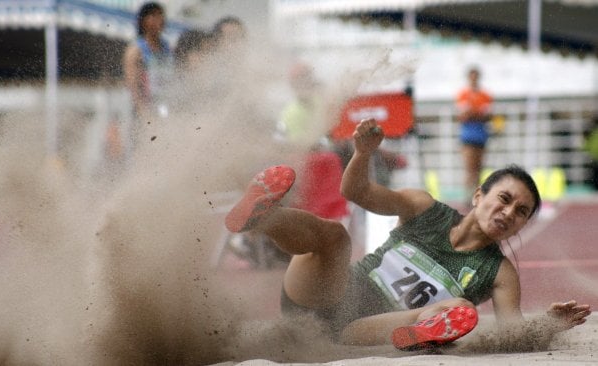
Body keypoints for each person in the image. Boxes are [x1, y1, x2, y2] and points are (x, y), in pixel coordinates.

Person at [223, 118, 591, 349]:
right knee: (336, 236)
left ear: (524, 224)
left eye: (521, 212)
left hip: (360, 330)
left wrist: (548, 325)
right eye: (504, 199)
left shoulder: (499, 272)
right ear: (479, 195)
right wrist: (363, 154)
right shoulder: (424, 209)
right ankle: (264, 218)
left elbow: (511, 332)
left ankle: (419, 337)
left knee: (461, 309)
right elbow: (356, 193)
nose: (508, 213)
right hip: (321, 296)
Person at [123, 2, 173, 123]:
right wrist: (143, 111)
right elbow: (132, 83)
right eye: (154, 16)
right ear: (143, 21)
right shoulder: (135, 50)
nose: (159, 20)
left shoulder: (167, 47)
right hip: (144, 108)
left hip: (165, 104)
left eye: (161, 15)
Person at [456, 66, 493, 205]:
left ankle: (477, 195)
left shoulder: (485, 95)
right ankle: (467, 196)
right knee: (469, 168)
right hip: (468, 137)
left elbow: (488, 115)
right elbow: (464, 115)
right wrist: (478, 114)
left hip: (481, 136)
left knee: (479, 168)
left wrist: (474, 113)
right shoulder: (463, 94)